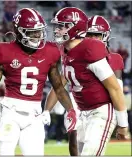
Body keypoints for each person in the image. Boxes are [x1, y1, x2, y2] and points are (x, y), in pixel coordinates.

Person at [0, 8, 76, 156]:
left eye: (39, 31)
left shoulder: (51, 50)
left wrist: (71, 110)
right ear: (18, 31)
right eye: (31, 32)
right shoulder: (4, 51)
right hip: (11, 113)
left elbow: (59, 88)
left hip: (35, 114)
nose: (37, 36)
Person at [45, 7, 129, 156]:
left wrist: (123, 123)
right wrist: (46, 111)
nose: (58, 30)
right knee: (76, 153)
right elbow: (59, 85)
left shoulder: (91, 49)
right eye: (58, 26)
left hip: (100, 110)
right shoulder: (65, 50)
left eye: (63, 26)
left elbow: (116, 89)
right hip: (82, 111)